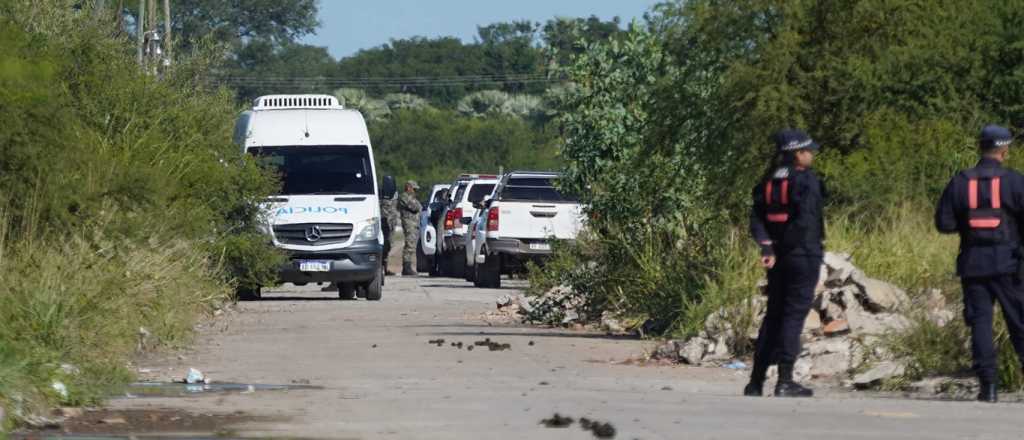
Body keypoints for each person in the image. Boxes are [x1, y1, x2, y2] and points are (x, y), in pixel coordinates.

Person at [935, 124, 1024, 403]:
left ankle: (989, 388)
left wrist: (969, 226)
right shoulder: (1014, 181)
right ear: (1005, 150)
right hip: (1009, 263)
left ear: (980, 147)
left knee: (981, 324)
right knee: (1020, 322)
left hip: (973, 263)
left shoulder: (961, 180)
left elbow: (944, 224)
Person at [745, 129, 826, 398]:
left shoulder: (767, 181)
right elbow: (807, 221)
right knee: (793, 316)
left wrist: (769, 246)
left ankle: (755, 382)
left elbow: (756, 219)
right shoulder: (806, 181)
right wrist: (797, 249)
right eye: (807, 151)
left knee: (774, 315)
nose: (811, 155)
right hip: (802, 256)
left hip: (776, 258)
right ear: (797, 153)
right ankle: (785, 381)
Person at [398, 180, 423, 276]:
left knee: (412, 245)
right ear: (409, 188)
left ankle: (408, 266)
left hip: (413, 224)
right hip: (409, 223)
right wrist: (416, 203)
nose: (415, 192)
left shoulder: (411, 198)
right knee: (409, 245)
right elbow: (415, 207)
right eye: (414, 189)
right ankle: (406, 267)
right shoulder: (404, 197)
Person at [380, 188, 400, 276]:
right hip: (384, 226)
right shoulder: (384, 201)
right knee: (384, 246)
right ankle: (381, 268)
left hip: (390, 226)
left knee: (388, 246)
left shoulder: (393, 200)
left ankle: (385, 268)